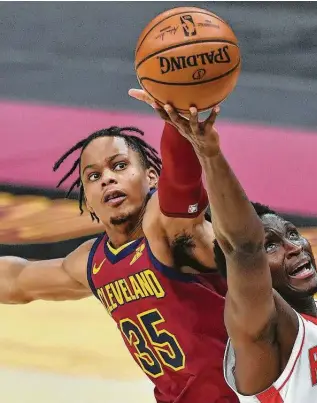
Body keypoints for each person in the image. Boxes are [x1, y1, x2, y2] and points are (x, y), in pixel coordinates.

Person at [0, 91, 237, 403]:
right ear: (88, 199)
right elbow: (17, 281)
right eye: (94, 176)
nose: (107, 179)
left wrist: (177, 121)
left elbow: (182, 186)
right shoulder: (93, 262)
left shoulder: (167, 225)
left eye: (120, 166)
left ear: (152, 177)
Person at [172, 106, 317, 402]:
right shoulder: (263, 331)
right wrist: (209, 153)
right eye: (270, 245)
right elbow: (243, 247)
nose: (295, 247)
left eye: (293, 234)